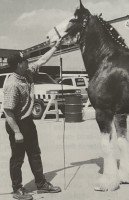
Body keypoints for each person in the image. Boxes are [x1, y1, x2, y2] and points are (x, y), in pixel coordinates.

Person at [3, 39, 63, 200]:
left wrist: (56, 47)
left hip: (28, 122)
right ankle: (17, 189)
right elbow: (7, 111)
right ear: (18, 65)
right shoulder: (12, 84)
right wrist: (17, 132)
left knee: (35, 154)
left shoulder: (27, 72)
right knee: (18, 158)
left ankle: (41, 184)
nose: (27, 61)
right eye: (24, 60)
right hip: (16, 122)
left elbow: (43, 59)